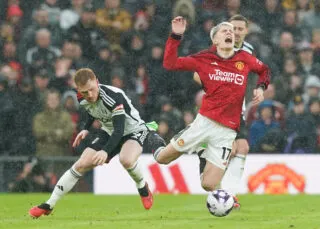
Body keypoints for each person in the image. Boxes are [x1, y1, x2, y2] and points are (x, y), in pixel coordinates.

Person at [153, 17, 270, 208]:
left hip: (227, 131)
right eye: (224, 31)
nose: (230, 33)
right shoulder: (204, 59)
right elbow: (170, 63)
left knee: (208, 184)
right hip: (204, 123)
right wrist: (175, 36)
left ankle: (202, 151)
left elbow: (264, 70)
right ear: (215, 40)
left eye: (231, 31)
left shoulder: (245, 59)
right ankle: (154, 140)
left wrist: (260, 87)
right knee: (162, 159)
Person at [29, 68, 166, 218]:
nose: (90, 95)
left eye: (92, 90)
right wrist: (86, 128)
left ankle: (142, 187)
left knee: (126, 160)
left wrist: (105, 151)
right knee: (80, 164)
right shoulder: (81, 97)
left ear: (97, 82)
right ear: (79, 90)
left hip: (133, 130)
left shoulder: (112, 97)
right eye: (85, 92)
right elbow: (91, 111)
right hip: (108, 130)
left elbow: (119, 130)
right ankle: (49, 204)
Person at [192, 15, 254, 202]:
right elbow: (197, 74)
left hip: (237, 108)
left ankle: (229, 194)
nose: (235, 32)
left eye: (240, 29)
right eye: (232, 28)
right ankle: (205, 157)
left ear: (246, 31)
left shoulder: (249, 50)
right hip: (217, 107)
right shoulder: (217, 48)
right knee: (231, 148)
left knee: (242, 147)